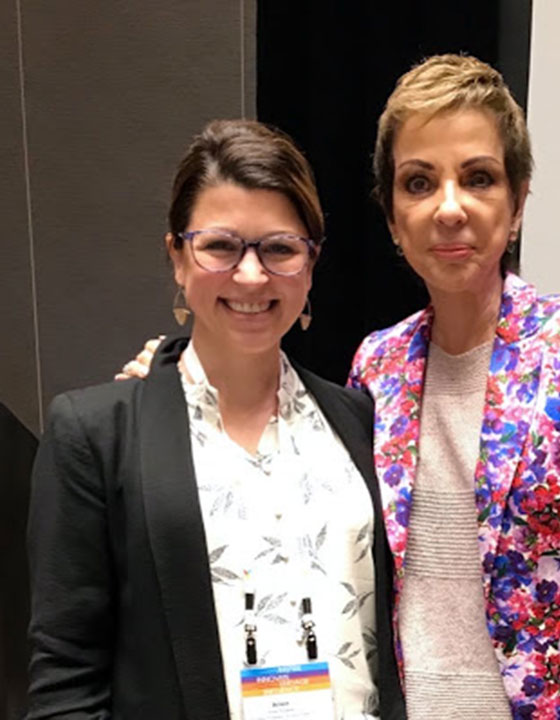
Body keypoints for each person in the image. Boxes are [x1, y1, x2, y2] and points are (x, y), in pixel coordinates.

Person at [120, 56, 560, 719]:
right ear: (394, 219)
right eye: (419, 183)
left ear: (517, 203)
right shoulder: (379, 364)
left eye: (478, 179)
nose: (449, 208)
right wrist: (171, 376)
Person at [25, 120, 405, 719]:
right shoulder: (96, 436)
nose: (251, 276)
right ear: (177, 256)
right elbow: (65, 682)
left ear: (310, 264)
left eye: (279, 248)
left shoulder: (357, 421)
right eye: (221, 246)